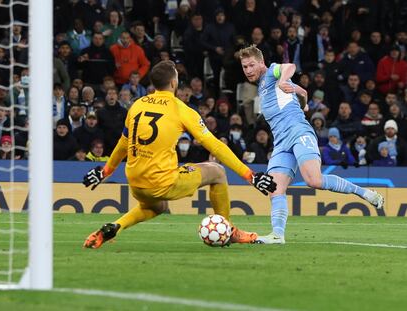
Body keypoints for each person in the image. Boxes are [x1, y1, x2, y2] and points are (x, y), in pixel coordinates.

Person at [82, 60, 276, 249]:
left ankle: (116, 225)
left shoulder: (137, 105)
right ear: (174, 83)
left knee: (158, 208)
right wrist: (250, 175)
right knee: (217, 172)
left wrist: (105, 171)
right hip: (162, 181)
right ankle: (229, 230)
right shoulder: (181, 109)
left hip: (135, 182)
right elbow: (215, 146)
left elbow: (123, 143)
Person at [239, 45, 384, 245]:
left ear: (261, 63)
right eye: (244, 67)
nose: (248, 70)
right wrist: (304, 101)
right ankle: (277, 235)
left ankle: (364, 192)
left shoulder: (272, 71)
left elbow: (289, 66)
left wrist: (282, 79)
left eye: (251, 65)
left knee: (313, 180)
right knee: (274, 189)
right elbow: (303, 91)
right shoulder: (263, 85)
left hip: (298, 131)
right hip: (281, 142)